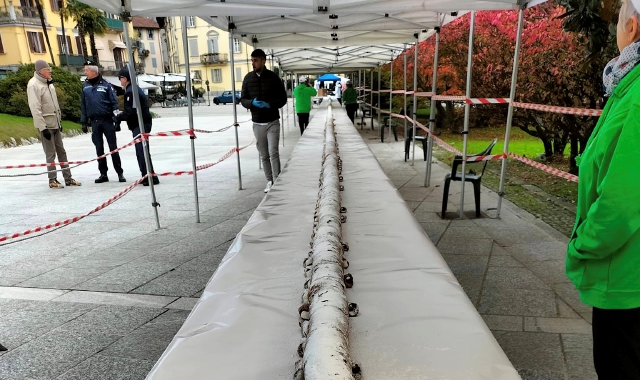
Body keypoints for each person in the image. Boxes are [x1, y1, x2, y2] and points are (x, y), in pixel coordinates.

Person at [566, 0, 640, 378]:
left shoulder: (637, 93)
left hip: (628, 280)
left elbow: (624, 199)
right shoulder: (627, 88)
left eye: (619, 18)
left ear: (633, 28)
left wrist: (583, 244)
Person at [26, 60, 80, 189]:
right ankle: (52, 180)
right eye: (47, 69)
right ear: (40, 71)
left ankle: (68, 178)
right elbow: (35, 108)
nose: (50, 71)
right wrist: (42, 128)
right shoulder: (33, 85)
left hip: (55, 124)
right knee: (50, 154)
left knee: (62, 152)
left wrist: (59, 122)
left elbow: (55, 105)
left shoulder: (49, 84)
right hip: (46, 126)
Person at [240, 49, 287, 193]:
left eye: (255, 60)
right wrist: (251, 103)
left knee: (273, 152)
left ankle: (277, 180)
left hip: (272, 121)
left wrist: (270, 104)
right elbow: (242, 99)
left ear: (263, 61)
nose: (253, 63)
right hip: (257, 123)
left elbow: (283, 99)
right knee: (264, 154)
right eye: (252, 60)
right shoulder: (248, 78)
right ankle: (270, 181)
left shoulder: (273, 78)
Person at [80, 61, 125, 184]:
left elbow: (114, 103)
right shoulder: (85, 86)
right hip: (94, 122)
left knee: (113, 148)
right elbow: (83, 105)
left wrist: (117, 121)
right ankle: (103, 174)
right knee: (99, 149)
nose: (85, 72)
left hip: (107, 121)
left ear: (94, 71)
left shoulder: (106, 85)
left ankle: (119, 173)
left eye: (86, 70)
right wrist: (83, 121)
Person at [116, 68, 159, 187]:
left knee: (141, 150)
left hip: (140, 124)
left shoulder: (131, 91)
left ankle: (148, 176)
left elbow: (131, 112)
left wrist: (119, 117)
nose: (119, 81)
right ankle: (148, 175)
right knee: (143, 150)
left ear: (125, 78)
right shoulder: (134, 89)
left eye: (120, 78)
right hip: (141, 123)